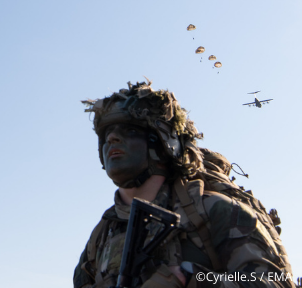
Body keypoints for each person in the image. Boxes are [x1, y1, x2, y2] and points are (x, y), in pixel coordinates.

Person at [74, 81, 292, 288]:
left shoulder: (216, 212)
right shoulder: (101, 237)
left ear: (163, 143)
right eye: (106, 135)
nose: (112, 139)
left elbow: (273, 281)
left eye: (130, 131)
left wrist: (191, 280)